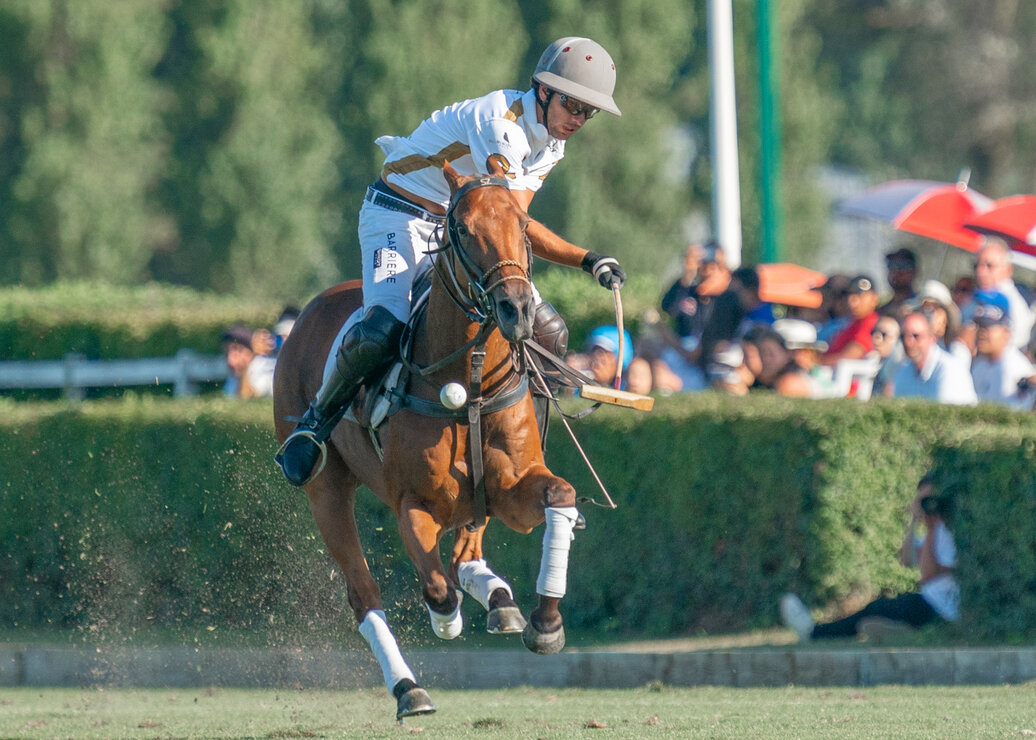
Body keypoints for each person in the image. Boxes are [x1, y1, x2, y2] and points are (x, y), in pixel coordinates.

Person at [276, 37, 627, 486]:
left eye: (587, 112)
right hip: (399, 214)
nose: (577, 119)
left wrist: (587, 261)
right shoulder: (503, 126)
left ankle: (525, 455)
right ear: (542, 90)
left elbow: (504, 227)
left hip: (466, 227)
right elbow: (512, 218)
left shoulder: (552, 143)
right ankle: (315, 424)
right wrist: (587, 259)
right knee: (386, 323)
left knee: (549, 331)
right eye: (572, 105)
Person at [780, 473, 960, 641]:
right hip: (927, 602)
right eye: (923, 500)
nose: (928, 505)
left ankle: (814, 633)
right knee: (877, 609)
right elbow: (907, 561)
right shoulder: (936, 531)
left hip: (938, 608)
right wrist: (913, 520)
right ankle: (899, 630)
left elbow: (927, 575)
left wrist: (930, 529)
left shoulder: (947, 533)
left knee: (876, 608)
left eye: (930, 499)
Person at [885, 311, 977, 405]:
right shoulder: (904, 371)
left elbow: (945, 415)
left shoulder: (949, 370)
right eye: (903, 336)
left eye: (916, 336)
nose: (908, 342)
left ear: (932, 338)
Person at [960, 239, 1034, 352]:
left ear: (1007, 270)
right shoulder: (976, 296)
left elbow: (1020, 338)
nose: (981, 272)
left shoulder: (1011, 301)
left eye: (990, 266)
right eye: (977, 265)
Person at [969, 290, 1036, 410]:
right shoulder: (979, 364)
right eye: (979, 326)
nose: (981, 333)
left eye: (987, 327)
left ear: (1006, 332)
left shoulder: (1017, 368)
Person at [820, 275, 880, 366]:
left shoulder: (872, 323)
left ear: (874, 299)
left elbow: (847, 358)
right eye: (850, 296)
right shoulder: (853, 323)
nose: (853, 302)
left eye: (860, 296)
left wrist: (813, 363)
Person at [912, 279, 969, 368]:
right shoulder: (911, 349)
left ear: (946, 315)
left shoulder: (956, 350)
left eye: (932, 309)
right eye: (923, 310)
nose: (927, 316)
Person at [746, 327, 813, 398]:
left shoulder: (790, 383)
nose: (766, 359)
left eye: (771, 354)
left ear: (787, 354)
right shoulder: (753, 379)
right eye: (761, 353)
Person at [221, 325, 275, 399]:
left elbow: (251, 398)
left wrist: (245, 370)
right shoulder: (233, 376)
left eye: (239, 350)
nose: (230, 360)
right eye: (227, 352)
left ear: (252, 351)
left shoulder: (266, 369)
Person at [878, 247, 918, 319]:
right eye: (891, 265)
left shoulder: (920, 306)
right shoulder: (881, 312)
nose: (895, 271)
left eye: (902, 266)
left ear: (914, 272)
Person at [870, 315, 904, 397]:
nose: (876, 339)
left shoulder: (899, 365)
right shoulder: (870, 358)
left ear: (897, 339)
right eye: (873, 332)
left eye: (884, 335)